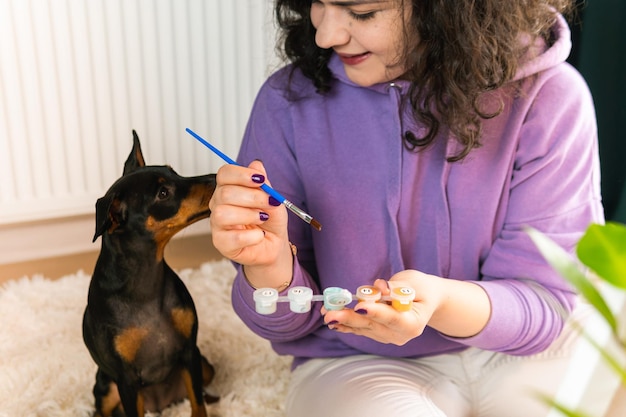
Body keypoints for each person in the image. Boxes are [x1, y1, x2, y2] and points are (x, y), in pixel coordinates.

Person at [208, 0, 603, 416]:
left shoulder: (550, 96)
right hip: (356, 359)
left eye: (361, 13)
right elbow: (282, 322)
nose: (325, 36)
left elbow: (545, 303)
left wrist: (441, 302)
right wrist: (268, 270)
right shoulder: (287, 103)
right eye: (316, 3)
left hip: (520, 350)